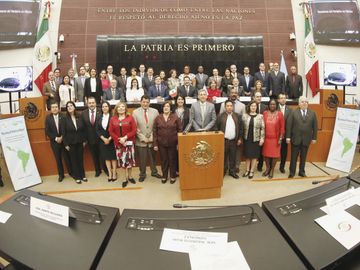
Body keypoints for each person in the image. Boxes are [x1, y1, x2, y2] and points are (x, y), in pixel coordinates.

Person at [132, 95, 162, 182]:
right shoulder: (135, 112)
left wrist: (153, 136)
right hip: (141, 140)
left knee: (153, 158)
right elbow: (135, 127)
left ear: (149, 103)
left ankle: (154, 172)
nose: (145, 104)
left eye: (147, 102)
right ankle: (142, 174)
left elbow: (157, 126)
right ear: (140, 102)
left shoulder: (155, 111)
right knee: (142, 159)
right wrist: (143, 138)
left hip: (152, 139)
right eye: (144, 102)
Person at [286, 96, 318, 178]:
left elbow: (315, 127)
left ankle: (301, 172)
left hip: (306, 139)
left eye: (306, 102)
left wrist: (314, 138)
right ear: (299, 103)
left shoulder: (312, 113)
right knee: (293, 157)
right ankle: (292, 172)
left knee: (303, 157)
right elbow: (289, 126)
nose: (304, 103)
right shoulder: (293, 112)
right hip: (295, 139)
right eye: (302, 102)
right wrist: (288, 137)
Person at [109, 102, 137, 187]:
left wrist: (125, 137)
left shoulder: (130, 118)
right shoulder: (113, 119)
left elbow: (134, 130)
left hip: (129, 143)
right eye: (119, 107)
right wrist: (119, 140)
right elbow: (111, 131)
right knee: (122, 161)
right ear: (116, 109)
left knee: (129, 161)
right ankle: (125, 178)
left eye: (123, 107)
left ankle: (130, 176)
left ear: (125, 108)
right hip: (119, 144)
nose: (121, 108)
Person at [153, 101, 182, 184]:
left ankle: (172, 176)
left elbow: (180, 130)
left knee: (172, 160)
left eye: (168, 106)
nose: (166, 108)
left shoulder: (175, 117)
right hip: (161, 143)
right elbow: (154, 131)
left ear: (170, 108)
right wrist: (155, 144)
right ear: (162, 108)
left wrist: (178, 143)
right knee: (164, 160)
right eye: (164, 106)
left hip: (173, 143)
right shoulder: (158, 117)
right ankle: (164, 176)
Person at [220, 87, 246, 173]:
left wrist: (240, 138)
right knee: (225, 153)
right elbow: (220, 121)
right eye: (232, 92)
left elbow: (242, 123)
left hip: (236, 135)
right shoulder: (223, 104)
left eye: (235, 93)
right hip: (225, 137)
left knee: (236, 153)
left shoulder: (242, 105)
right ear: (229, 94)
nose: (234, 94)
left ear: (237, 94)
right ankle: (225, 168)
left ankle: (236, 167)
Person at [45, 102, 72, 182]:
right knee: (58, 159)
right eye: (53, 107)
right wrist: (56, 138)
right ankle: (61, 175)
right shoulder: (48, 118)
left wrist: (62, 137)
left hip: (64, 141)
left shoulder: (64, 116)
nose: (55, 108)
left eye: (56, 107)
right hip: (54, 142)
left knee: (67, 158)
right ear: (50, 109)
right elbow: (47, 131)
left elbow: (67, 128)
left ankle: (71, 172)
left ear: (59, 108)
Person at [216, 100, 243, 179]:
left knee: (233, 157)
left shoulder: (237, 116)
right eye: (227, 106)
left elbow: (241, 128)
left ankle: (232, 171)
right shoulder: (220, 116)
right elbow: (216, 128)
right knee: (223, 157)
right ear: (225, 107)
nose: (229, 107)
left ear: (233, 107)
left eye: (231, 106)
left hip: (234, 141)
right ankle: (223, 171)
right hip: (224, 141)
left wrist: (239, 139)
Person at [62, 101, 87, 184]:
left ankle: (82, 175)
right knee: (74, 160)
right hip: (71, 143)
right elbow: (63, 132)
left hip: (80, 141)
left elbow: (84, 130)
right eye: (68, 106)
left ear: (74, 107)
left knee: (80, 159)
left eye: (71, 105)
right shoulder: (64, 118)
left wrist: (84, 140)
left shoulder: (80, 116)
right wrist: (65, 144)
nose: (69, 107)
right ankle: (77, 176)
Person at [81, 97, 104, 177]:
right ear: (87, 104)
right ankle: (97, 170)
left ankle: (106, 169)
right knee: (94, 156)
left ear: (96, 103)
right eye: (90, 103)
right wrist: (84, 139)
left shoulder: (101, 111)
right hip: (90, 139)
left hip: (101, 138)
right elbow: (82, 127)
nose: (91, 104)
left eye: (93, 102)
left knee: (103, 155)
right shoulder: (83, 113)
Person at [262, 99, 285, 178]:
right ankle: (267, 168)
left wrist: (281, 137)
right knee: (266, 155)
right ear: (268, 105)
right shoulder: (264, 113)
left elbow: (282, 127)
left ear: (276, 105)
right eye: (271, 104)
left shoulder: (280, 114)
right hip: (266, 138)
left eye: (274, 104)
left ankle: (272, 170)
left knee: (275, 155)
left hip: (276, 139)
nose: (272, 106)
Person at [242, 100, 265, 179]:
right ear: (249, 107)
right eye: (252, 106)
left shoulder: (260, 116)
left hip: (256, 139)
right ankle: (247, 170)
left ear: (256, 107)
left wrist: (262, 139)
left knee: (254, 156)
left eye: (255, 106)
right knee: (248, 155)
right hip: (247, 138)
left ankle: (252, 171)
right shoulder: (244, 116)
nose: (253, 107)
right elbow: (242, 127)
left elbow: (263, 128)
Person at [96, 101, 117, 182]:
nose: (104, 108)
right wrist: (103, 139)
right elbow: (97, 130)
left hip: (112, 139)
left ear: (109, 108)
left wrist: (109, 138)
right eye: (103, 107)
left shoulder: (113, 117)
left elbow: (115, 129)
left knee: (113, 157)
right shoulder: (99, 117)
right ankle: (110, 173)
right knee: (107, 158)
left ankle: (114, 173)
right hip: (103, 141)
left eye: (106, 106)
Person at [278, 93, 292, 173]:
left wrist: (288, 136)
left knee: (284, 152)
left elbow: (290, 124)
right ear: (278, 100)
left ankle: (282, 167)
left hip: (285, 135)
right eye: (281, 98)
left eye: (284, 98)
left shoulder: (290, 110)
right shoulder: (275, 108)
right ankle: (271, 166)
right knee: (274, 151)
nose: (283, 99)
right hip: (276, 135)